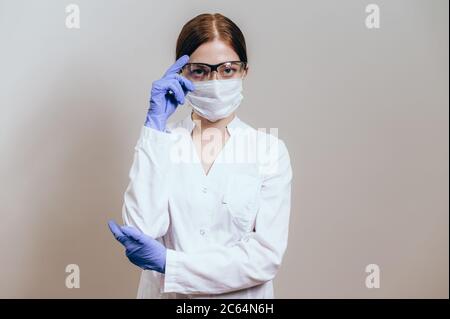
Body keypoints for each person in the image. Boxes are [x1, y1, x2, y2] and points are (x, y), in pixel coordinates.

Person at [108, 13, 293, 299]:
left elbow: (264, 259)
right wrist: (153, 128)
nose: (215, 80)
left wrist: (171, 264)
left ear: (245, 71)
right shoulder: (162, 142)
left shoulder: (269, 150)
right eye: (200, 71)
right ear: (181, 73)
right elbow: (141, 229)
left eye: (227, 69)